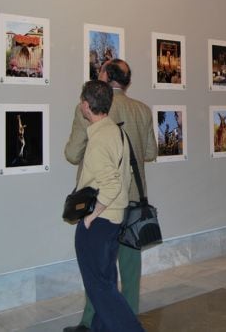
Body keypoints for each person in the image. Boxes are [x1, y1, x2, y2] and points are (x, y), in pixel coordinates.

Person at [65, 59, 157, 331]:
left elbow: (72, 153)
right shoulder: (141, 110)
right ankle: (126, 318)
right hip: (133, 199)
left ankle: (92, 323)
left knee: (98, 271)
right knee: (129, 267)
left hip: (102, 201)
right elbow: (150, 153)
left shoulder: (90, 109)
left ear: (104, 76)